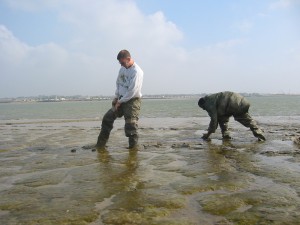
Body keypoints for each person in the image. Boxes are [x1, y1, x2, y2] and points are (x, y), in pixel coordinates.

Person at [96, 50, 143, 150]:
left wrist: (119, 102)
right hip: (120, 99)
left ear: (129, 59)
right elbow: (118, 83)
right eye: (120, 63)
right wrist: (116, 97)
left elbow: (132, 91)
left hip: (132, 101)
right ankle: (100, 146)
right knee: (107, 118)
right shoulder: (122, 68)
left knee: (131, 127)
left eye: (122, 62)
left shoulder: (137, 72)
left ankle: (133, 151)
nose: (121, 65)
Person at [198, 91, 266, 141]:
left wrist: (208, 134)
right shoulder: (213, 98)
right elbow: (219, 117)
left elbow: (214, 120)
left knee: (246, 120)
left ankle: (260, 134)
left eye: (203, 108)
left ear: (203, 104)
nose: (204, 109)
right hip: (240, 101)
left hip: (235, 104)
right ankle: (226, 135)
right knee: (222, 119)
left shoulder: (208, 104)